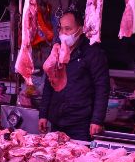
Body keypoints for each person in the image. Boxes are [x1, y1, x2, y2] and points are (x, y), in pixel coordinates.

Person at [38, 8, 110, 141]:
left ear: (80, 30)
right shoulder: (56, 51)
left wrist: (97, 120)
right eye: (61, 29)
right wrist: (43, 114)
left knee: (78, 154)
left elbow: (102, 87)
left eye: (68, 29)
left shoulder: (92, 53)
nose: (63, 33)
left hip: (81, 124)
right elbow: (49, 84)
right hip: (57, 121)